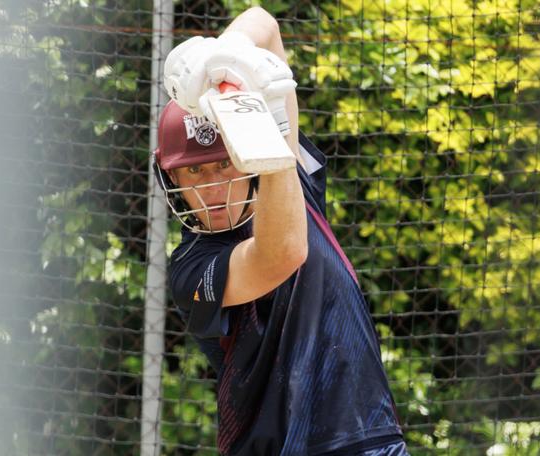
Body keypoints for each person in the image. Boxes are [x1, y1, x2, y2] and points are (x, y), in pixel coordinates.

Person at [154, 7, 408, 455]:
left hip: (370, 439)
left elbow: (263, 22)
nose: (212, 187)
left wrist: (223, 63)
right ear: (171, 180)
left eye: (222, 164)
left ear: (240, 154)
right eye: (193, 174)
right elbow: (283, 252)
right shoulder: (191, 269)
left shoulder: (292, 187)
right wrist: (265, 130)